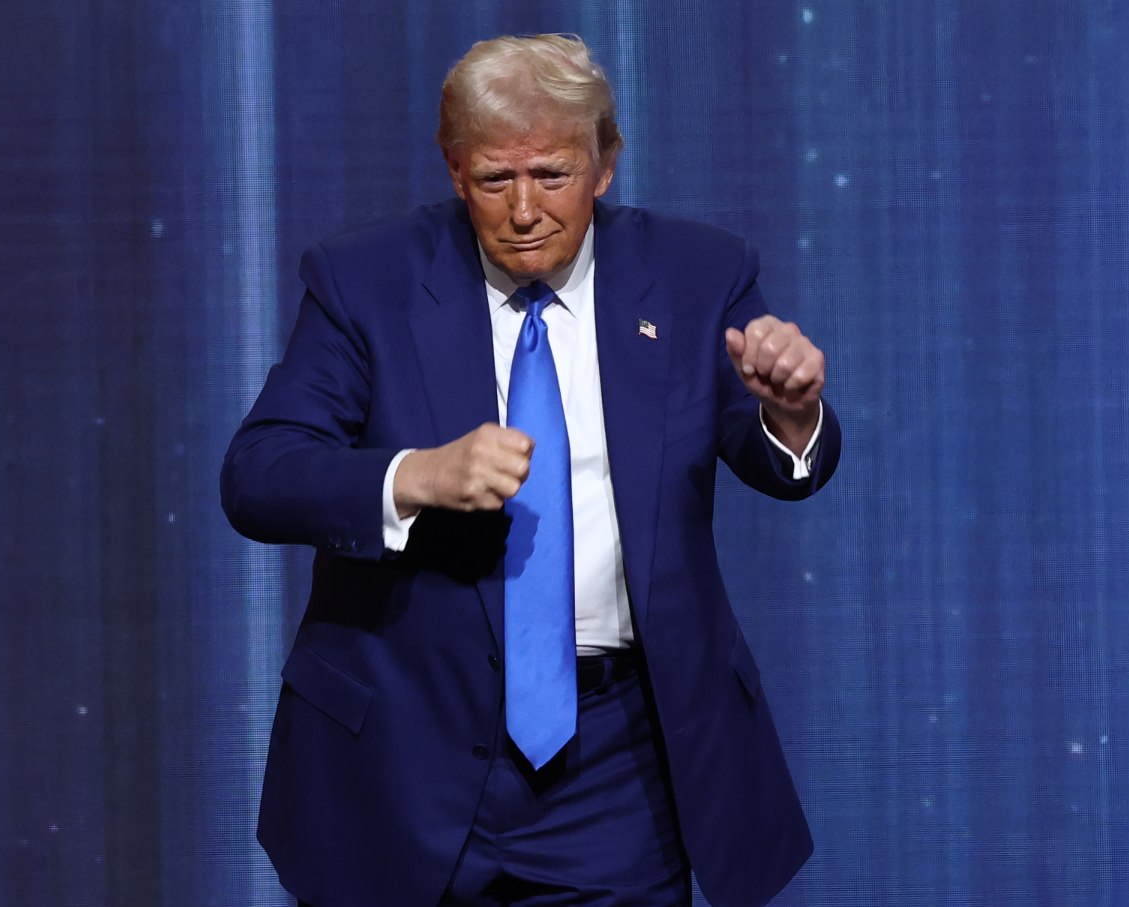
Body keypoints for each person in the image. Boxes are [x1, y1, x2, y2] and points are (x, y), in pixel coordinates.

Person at [221, 33, 841, 907]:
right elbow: (258, 473)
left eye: (551, 175)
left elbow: (779, 461)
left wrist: (792, 412)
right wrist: (414, 477)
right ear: (451, 169)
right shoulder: (366, 281)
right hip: (401, 752)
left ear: (606, 163)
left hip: (617, 766)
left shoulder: (698, 274)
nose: (523, 211)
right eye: (493, 179)